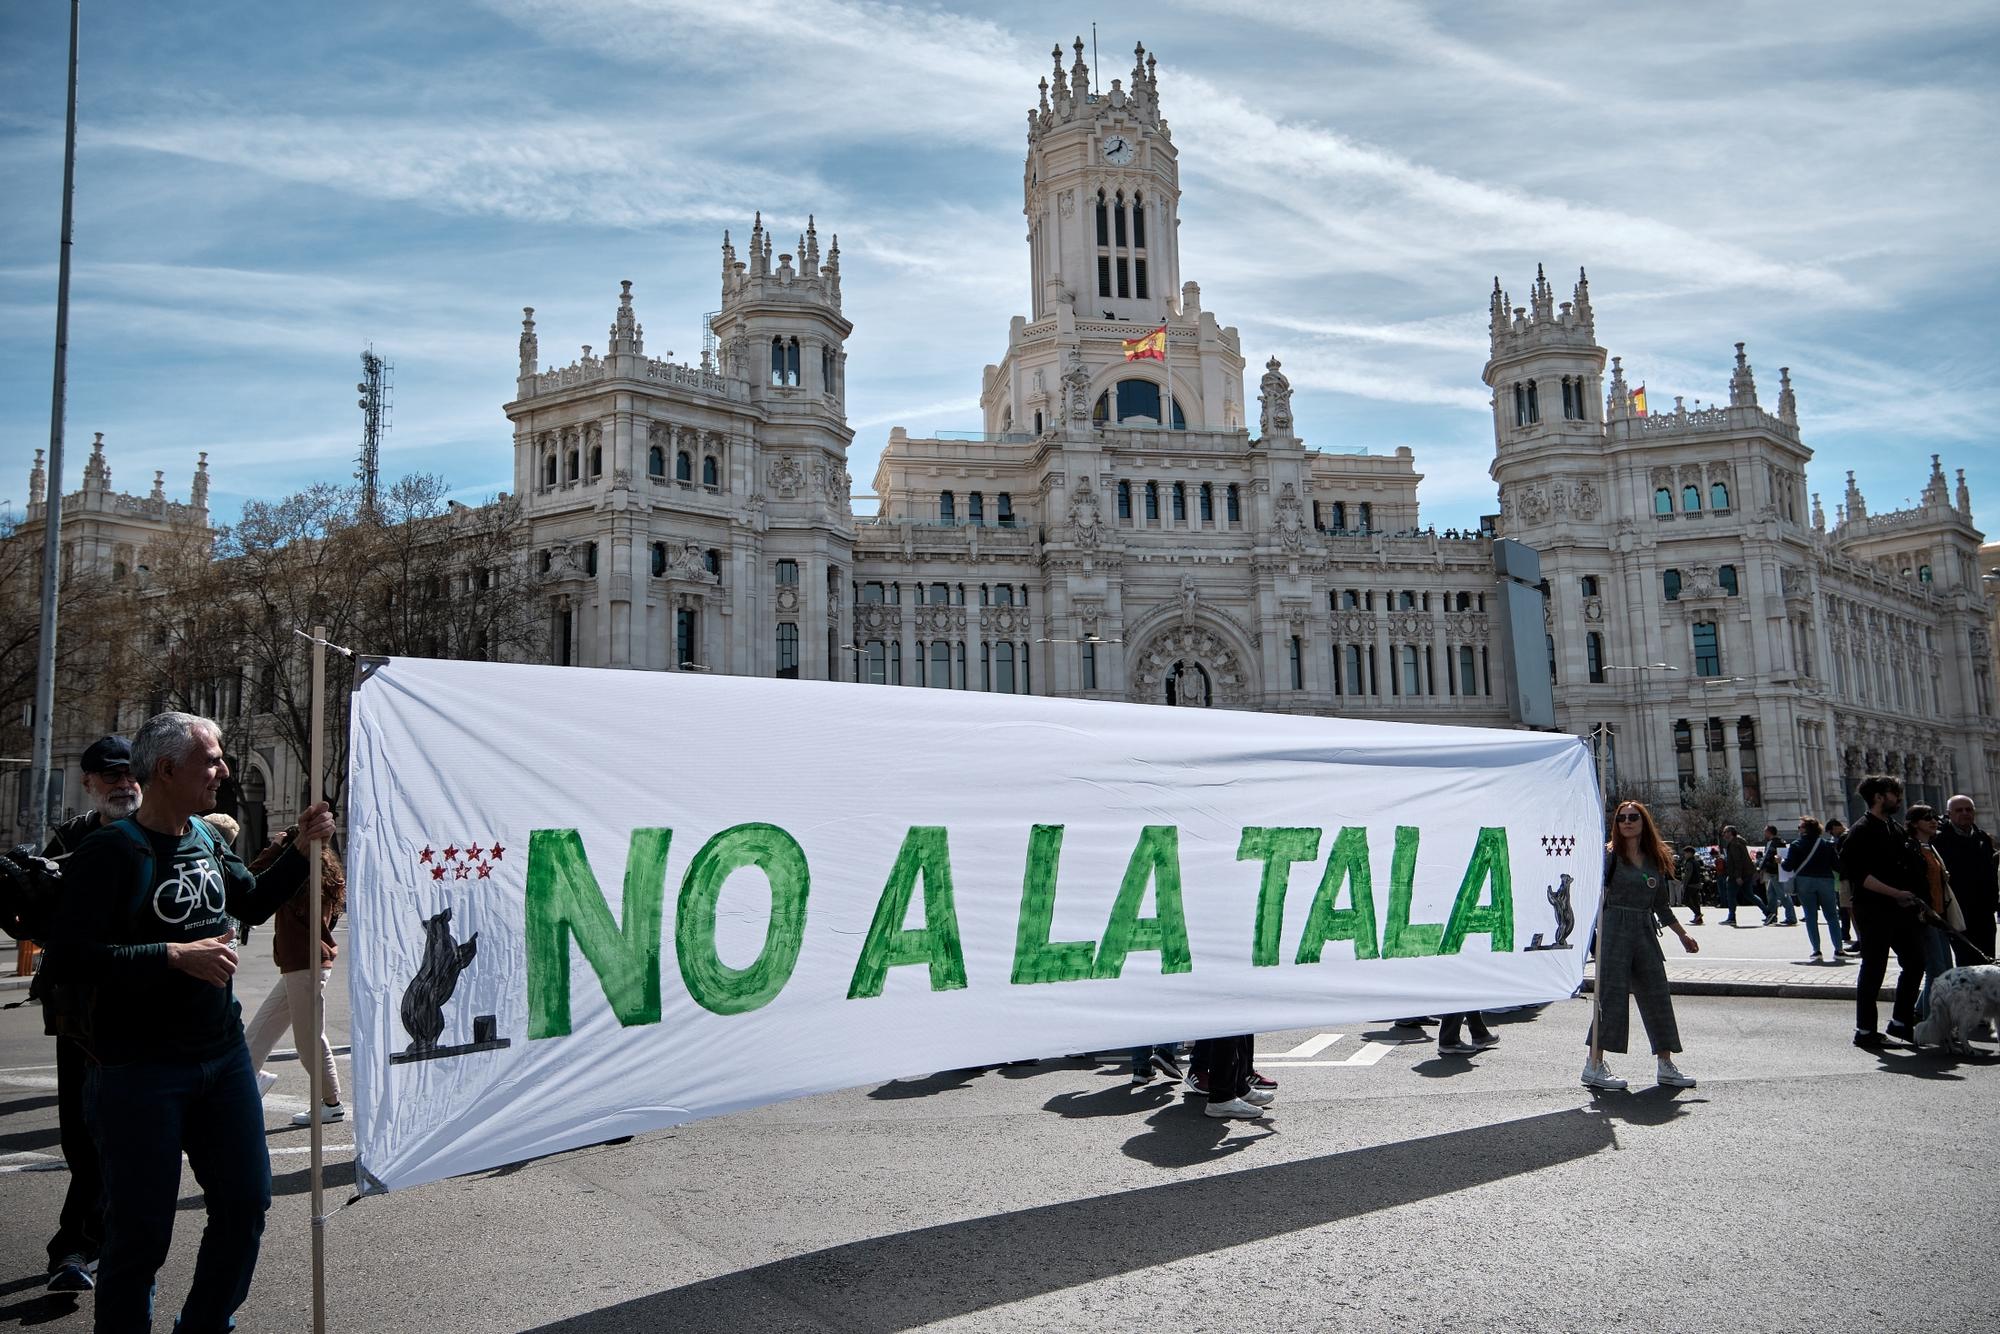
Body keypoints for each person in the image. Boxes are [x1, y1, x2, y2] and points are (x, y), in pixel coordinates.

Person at [53, 711, 335, 1334]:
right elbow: (70, 959)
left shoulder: (207, 840)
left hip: (222, 1056)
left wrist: (300, 846)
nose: (223, 770)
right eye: (211, 760)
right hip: (138, 1070)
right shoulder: (108, 852)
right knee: (141, 1236)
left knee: (245, 1205)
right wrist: (174, 955)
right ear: (166, 770)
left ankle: (205, 1324)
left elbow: (252, 900)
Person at [34, 735, 141, 1293]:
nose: (123, 784)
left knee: (128, 1135)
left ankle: (92, 1245)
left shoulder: (164, 834)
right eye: (110, 776)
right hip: (79, 1011)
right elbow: (42, 928)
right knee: (83, 1134)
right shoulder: (70, 841)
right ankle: (81, 1246)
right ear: (89, 783)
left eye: (130, 774)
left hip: (147, 1011)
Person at [1583, 801, 1700, 1091]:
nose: (1627, 822)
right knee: (1610, 997)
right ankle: (1594, 1065)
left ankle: (1665, 1064)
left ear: (1643, 821)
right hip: (1614, 928)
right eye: (1621, 818)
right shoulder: (1609, 856)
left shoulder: (1655, 858)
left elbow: (1661, 904)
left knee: (1657, 994)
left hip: (1645, 930)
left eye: (1633, 817)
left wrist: (1683, 935)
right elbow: (1589, 889)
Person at [243, 831, 348, 1124]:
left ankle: (332, 1103)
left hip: (306, 965)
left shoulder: (299, 879)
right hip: (302, 965)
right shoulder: (321, 875)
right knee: (261, 1030)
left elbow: (250, 882)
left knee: (309, 1041)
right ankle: (250, 1079)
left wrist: (274, 849)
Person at [1838, 775, 1929, 1048]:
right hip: (1874, 909)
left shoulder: (1894, 827)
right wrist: (1896, 893)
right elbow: (1859, 875)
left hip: (1900, 908)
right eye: (1894, 794)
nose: (1899, 799)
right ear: (1879, 796)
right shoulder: (1861, 830)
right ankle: (1865, 1030)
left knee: (1915, 962)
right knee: (1874, 968)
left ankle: (1901, 1021)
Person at [1903, 806, 1960, 1020]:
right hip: (1923, 915)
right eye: (1927, 818)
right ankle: (1931, 1023)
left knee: (1945, 968)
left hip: (1938, 915)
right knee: (1936, 969)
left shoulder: (1930, 847)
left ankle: (1918, 1012)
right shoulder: (1911, 848)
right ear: (1914, 823)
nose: (1933, 821)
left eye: (1935, 817)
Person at [1935, 795, 1997, 969]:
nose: (1965, 813)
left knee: (1987, 962)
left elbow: (1990, 873)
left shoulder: (1982, 838)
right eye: (1959, 810)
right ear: (1949, 814)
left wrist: (1993, 902)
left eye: (1968, 810)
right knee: (1966, 963)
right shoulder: (1939, 840)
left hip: (1984, 913)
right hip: (1957, 913)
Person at [1782, 817, 1843, 963]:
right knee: (1832, 916)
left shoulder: (1796, 845)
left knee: (1810, 917)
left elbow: (1788, 867)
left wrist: (1781, 861)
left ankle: (1816, 951)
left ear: (1805, 829)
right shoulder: (1827, 845)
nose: (1798, 830)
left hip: (1805, 882)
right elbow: (1837, 866)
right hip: (1825, 881)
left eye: (1800, 827)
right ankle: (1838, 949)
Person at [1719, 825, 1769, 926]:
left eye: (1725, 832)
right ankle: (1768, 913)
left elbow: (1738, 861)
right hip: (1746, 873)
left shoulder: (1734, 844)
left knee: (1731, 895)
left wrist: (1737, 876)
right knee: (1749, 895)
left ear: (1731, 833)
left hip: (1737, 875)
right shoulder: (1739, 842)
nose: (1723, 834)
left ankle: (1732, 917)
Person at [1825, 819, 1858, 954]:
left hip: (1847, 878)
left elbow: (1841, 860)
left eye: (1831, 832)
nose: (1832, 835)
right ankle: (1860, 939)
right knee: (1850, 910)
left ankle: (1861, 940)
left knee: (1851, 910)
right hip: (1851, 877)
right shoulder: (1851, 835)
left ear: (1835, 827)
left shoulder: (1844, 838)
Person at [1762, 825, 1797, 926]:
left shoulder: (1776, 843)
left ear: (1769, 832)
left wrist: (1762, 868)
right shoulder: (1773, 842)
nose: (1764, 834)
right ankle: (1772, 916)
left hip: (1776, 872)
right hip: (1773, 872)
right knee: (1771, 894)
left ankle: (1791, 917)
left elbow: (1769, 857)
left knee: (1783, 895)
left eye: (1765, 832)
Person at [1674, 844, 1709, 925]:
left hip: (1691, 884)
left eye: (1685, 853)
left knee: (1686, 900)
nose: (1684, 855)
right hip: (1697, 884)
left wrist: (1684, 884)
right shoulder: (1696, 862)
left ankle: (1697, 914)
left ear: (1690, 853)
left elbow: (1688, 875)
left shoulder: (1689, 862)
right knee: (1695, 901)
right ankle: (1699, 919)